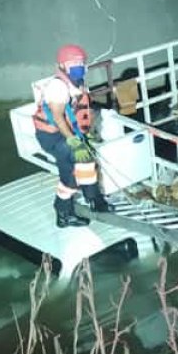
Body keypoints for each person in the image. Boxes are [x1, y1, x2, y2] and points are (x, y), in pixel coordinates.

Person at [32, 44, 110, 227]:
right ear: (62, 66)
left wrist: (84, 134)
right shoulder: (57, 87)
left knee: (86, 161)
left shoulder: (77, 84)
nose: (79, 67)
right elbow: (58, 118)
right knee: (72, 173)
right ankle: (64, 214)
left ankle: (94, 200)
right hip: (52, 136)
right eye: (73, 64)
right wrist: (74, 141)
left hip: (66, 132)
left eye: (81, 63)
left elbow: (78, 113)